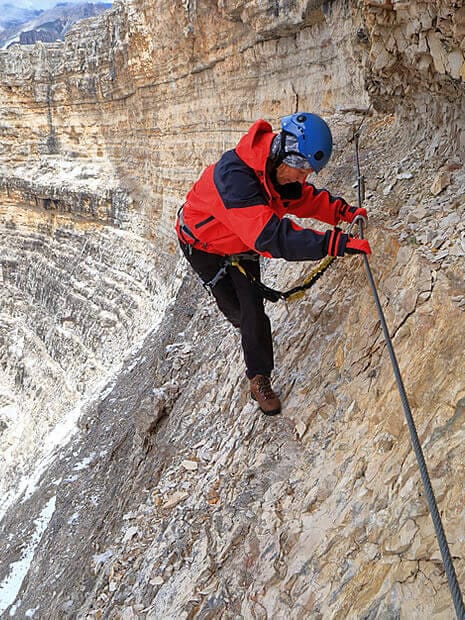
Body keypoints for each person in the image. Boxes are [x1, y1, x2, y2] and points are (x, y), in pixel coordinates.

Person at [175, 113, 371, 416]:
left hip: (241, 244)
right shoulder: (235, 178)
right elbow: (271, 237)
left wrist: (343, 212)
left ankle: (258, 377)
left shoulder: (276, 171)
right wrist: (333, 244)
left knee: (253, 312)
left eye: (308, 170)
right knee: (238, 313)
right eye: (302, 168)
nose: (303, 177)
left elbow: (304, 199)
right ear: (285, 152)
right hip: (203, 245)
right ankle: (249, 334)